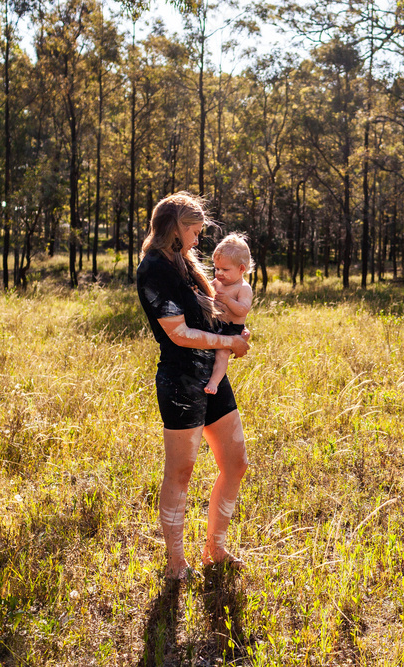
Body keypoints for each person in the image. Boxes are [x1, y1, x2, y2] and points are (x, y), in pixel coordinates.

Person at [136, 192, 251, 579]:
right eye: (195, 231)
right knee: (180, 472)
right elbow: (179, 334)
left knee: (236, 463)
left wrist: (235, 329)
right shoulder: (154, 269)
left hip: (211, 376)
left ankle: (214, 549)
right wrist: (228, 342)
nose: (198, 239)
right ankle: (176, 563)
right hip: (181, 381)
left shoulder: (184, 262)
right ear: (176, 228)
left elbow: (208, 313)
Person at [205, 233, 254, 396]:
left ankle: (214, 382)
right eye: (216, 268)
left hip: (232, 328)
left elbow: (243, 310)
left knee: (222, 353)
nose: (219, 273)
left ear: (241, 269)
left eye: (225, 269)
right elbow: (207, 291)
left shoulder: (243, 288)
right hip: (217, 324)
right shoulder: (217, 282)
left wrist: (228, 301)